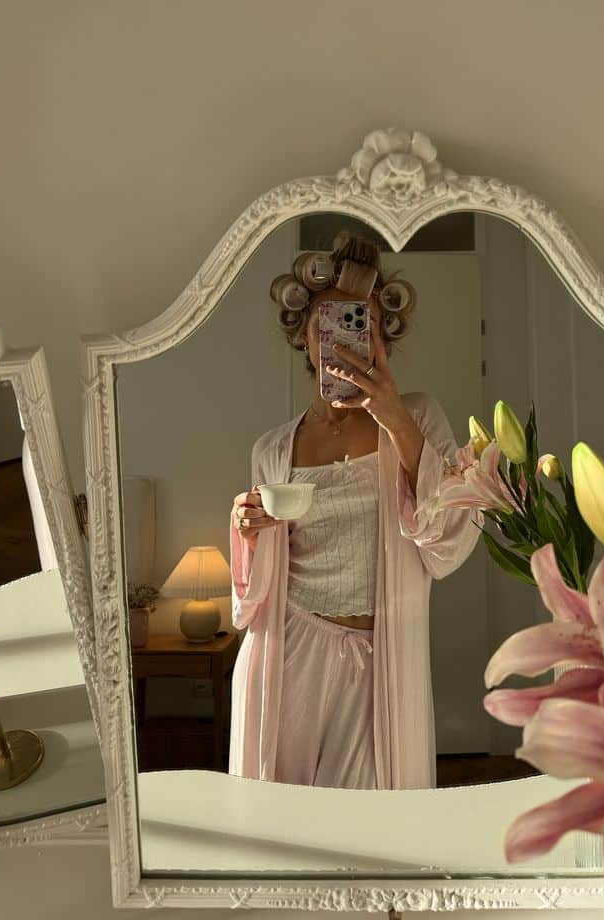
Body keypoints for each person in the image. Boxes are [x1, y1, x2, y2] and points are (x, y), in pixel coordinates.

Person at [228, 230, 479, 790]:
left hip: (381, 662)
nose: (337, 338)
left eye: (355, 322)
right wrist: (248, 531)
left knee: (375, 836)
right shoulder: (273, 448)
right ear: (306, 339)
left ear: (378, 334)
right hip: (287, 658)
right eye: (326, 324)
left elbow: (449, 539)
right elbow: (254, 594)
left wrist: (393, 417)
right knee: (288, 836)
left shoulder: (418, 416)